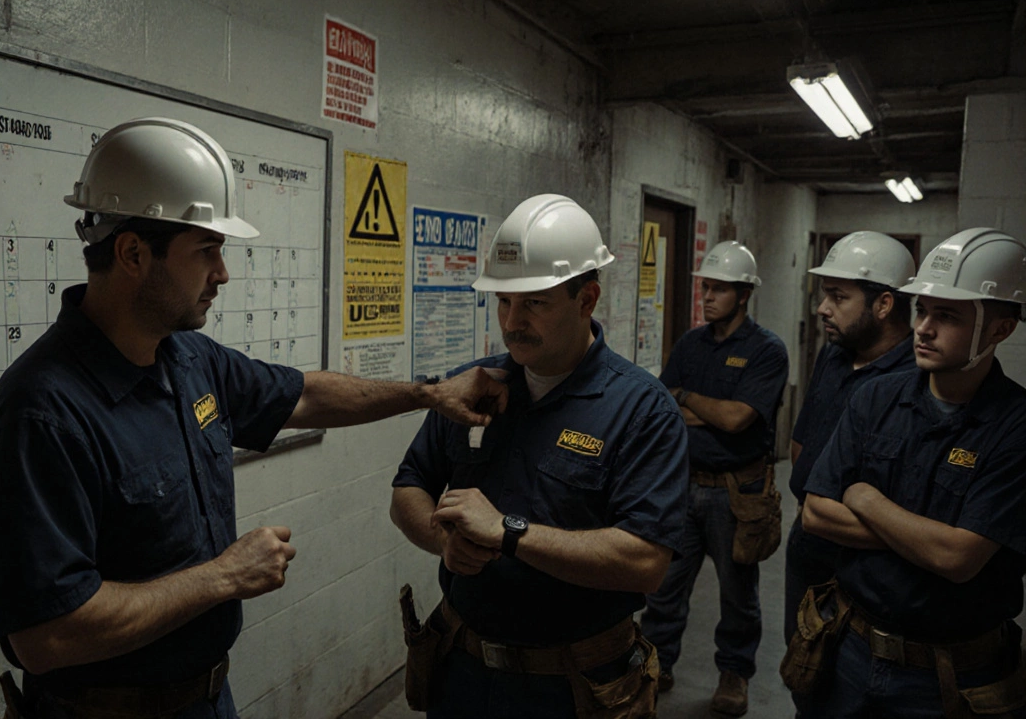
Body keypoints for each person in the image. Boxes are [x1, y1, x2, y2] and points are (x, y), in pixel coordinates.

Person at [0, 117, 509, 719]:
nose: (222, 274)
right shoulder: (42, 415)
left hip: (205, 697)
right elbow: (46, 637)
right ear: (132, 253)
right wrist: (223, 577)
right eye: (206, 250)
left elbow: (304, 396)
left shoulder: (185, 356)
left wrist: (428, 394)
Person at [389, 194, 688, 719]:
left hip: (577, 688)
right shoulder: (474, 384)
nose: (512, 321)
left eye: (535, 303)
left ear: (586, 299)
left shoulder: (641, 409)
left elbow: (645, 562)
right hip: (463, 670)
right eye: (504, 301)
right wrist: (443, 542)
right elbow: (408, 486)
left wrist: (509, 531)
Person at [796, 228, 1026, 719]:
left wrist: (866, 499)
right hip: (850, 650)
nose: (923, 328)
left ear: (1001, 330)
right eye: (922, 310)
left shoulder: (1014, 427)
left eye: (947, 316)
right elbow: (815, 513)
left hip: (951, 676)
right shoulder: (876, 397)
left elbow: (958, 557)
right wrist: (922, 542)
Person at [640, 240, 789, 717]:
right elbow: (665, 408)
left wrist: (690, 399)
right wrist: (696, 405)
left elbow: (738, 419)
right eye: (706, 287)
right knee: (663, 587)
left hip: (736, 492)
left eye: (719, 289)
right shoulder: (691, 344)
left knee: (737, 595)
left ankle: (734, 674)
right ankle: (656, 664)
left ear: (744, 295)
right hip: (682, 484)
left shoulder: (766, 351)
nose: (707, 297)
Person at [784, 231, 916, 646]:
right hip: (809, 539)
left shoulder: (916, 377)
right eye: (826, 295)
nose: (823, 308)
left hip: (869, 557)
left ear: (884, 303)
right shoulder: (833, 354)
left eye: (838, 297)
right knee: (802, 661)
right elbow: (802, 439)